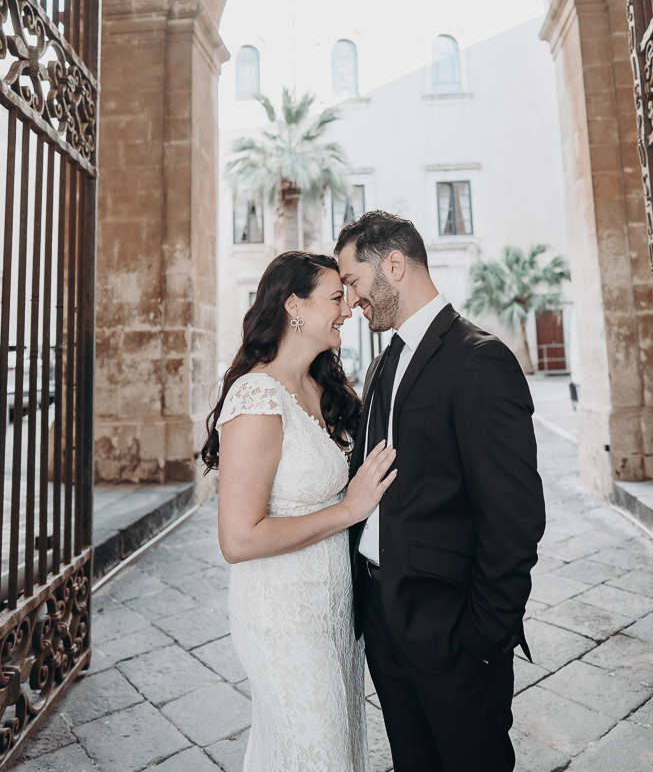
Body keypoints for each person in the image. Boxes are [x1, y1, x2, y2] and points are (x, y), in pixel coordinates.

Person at [335, 211, 546, 772]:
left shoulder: (480, 360)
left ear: (395, 265)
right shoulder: (384, 361)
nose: (351, 301)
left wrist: (481, 638)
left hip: (453, 632)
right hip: (383, 624)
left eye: (353, 282)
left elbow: (515, 517)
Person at [201, 251, 397, 772]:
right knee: (319, 756)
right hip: (281, 616)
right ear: (294, 307)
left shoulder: (321, 387)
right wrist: (349, 509)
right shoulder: (257, 397)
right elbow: (238, 539)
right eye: (336, 297)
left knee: (334, 750)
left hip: (334, 609)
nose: (349, 308)